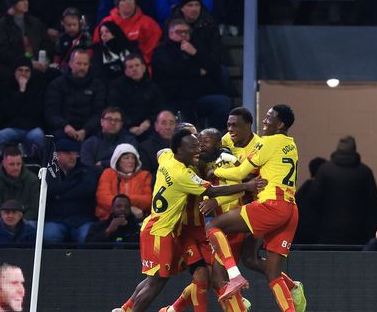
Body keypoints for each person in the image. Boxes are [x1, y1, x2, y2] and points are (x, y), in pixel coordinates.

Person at [112, 130, 264, 312]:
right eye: (192, 146)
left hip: (160, 227)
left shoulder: (168, 157)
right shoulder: (183, 175)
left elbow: (160, 153)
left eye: (198, 144)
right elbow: (212, 192)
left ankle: (126, 309)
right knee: (157, 281)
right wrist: (247, 185)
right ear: (179, 150)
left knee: (162, 279)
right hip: (161, 231)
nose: (197, 149)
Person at [205, 105, 306, 312]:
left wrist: (217, 170)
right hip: (290, 208)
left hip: (269, 205)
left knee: (213, 226)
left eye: (269, 118)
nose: (265, 121)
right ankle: (292, 295)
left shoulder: (265, 143)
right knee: (270, 271)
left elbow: (242, 172)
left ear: (281, 124)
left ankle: (235, 279)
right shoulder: (290, 144)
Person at [152, 18, 231, 129]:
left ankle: (213, 137)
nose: (183, 35)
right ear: (170, 33)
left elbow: (214, 68)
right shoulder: (162, 50)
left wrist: (195, 53)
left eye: (186, 32)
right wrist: (197, 72)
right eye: (179, 32)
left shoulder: (195, 47)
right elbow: (172, 70)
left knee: (222, 102)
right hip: (173, 98)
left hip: (197, 97)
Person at [311, 136, 377, 244]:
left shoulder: (325, 170)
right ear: (354, 149)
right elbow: (373, 201)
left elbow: (314, 198)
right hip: (357, 231)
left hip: (328, 229)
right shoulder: (364, 172)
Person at [0, 0, 53, 79]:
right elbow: (3, 53)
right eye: (22, 0)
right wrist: (27, 63)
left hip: (38, 65)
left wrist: (46, 59)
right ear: (13, 3)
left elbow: (47, 43)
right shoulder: (1, 26)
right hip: (13, 69)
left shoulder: (35, 22)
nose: (26, 3)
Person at [43, 138, 100, 243]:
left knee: (87, 236)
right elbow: (51, 190)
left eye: (74, 153)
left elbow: (87, 190)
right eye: (68, 153)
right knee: (49, 236)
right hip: (56, 219)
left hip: (82, 219)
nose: (73, 157)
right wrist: (74, 183)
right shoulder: (49, 172)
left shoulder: (87, 171)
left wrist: (59, 195)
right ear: (57, 155)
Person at [44, 48, 106, 142]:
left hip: (90, 131)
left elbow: (99, 112)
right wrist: (65, 126)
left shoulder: (97, 85)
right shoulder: (57, 84)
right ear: (70, 64)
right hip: (63, 129)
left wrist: (86, 129)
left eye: (85, 64)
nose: (82, 67)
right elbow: (51, 112)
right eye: (79, 63)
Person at [0, 57, 45, 156]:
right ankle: (0, 164)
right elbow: (7, 111)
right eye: (20, 70)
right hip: (12, 126)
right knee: (1, 136)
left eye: (27, 71)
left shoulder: (37, 87)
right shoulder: (6, 87)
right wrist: (21, 91)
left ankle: (40, 165)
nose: (23, 73)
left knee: (38, 136)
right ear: (15, 72)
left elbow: (36, 111)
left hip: (31, 127)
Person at [94, 0, 162, 67]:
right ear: (117, 4)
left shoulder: (149, 23)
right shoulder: (107, 22)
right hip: (112, 67)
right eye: (123, 0)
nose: (128, 2)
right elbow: (97, 44)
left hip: (139, 67)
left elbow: (152, 49)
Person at [107, 53, 165, 140]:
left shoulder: (153, 88)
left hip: (148, 128)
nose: (134, 69)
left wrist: (148, 122)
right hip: (123, 128)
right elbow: (114, 109)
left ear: (143, 68)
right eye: (130, 67)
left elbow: (158, 111)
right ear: (126, 71)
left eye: (137, 65)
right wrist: (129, 126)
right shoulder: (116, 87)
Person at [95, 143, 152, 221]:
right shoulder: (108, 173)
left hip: (137, 219)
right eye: (126, 158)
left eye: (133, 158)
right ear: (117, 160)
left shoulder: (145, 175)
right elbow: (103, 197)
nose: (131, 161)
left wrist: (121, 204)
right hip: (109, 218)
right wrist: (128, 207)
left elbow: (147, 200)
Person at [0, 145, 39, 222]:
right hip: (2, 221)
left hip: (26, 221)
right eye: (12, 164)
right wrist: (8, 221)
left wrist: (18, 222)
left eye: (18, 164)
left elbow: (34, 208)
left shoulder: (32, 179)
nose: (16, 168)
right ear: (4, 163)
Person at [138, 110, 177, 176]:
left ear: (176, 125)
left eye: (171, 123)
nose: (168, 127)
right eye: (164, 123)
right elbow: (146, 176)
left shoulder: (183, 144)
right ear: (156, 126)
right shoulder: (145, 148)